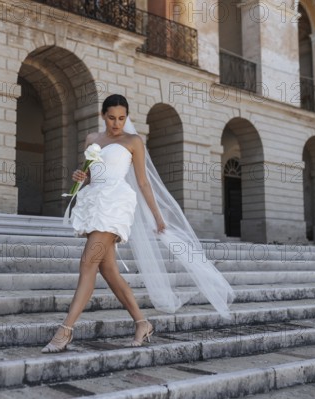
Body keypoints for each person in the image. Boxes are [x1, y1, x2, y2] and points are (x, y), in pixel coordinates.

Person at [41, 94, 235, 353]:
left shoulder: (133, 141)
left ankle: (65, 331)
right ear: (103, 116)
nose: (116, 123)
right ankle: (142, 324)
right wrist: (80, 177)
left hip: (116, 204)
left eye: (122, 118)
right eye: (111, 117)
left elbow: (143, 182)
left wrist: (158, 216)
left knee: (88, 263)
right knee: (108, 271)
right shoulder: (92, 140)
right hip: (94, 202)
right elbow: (90, 175)